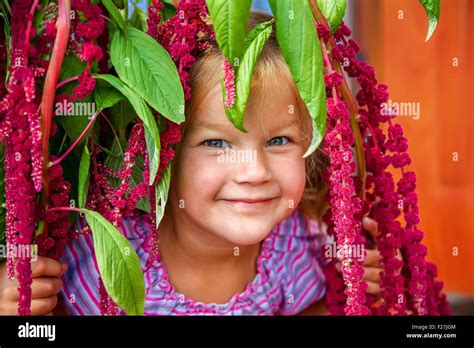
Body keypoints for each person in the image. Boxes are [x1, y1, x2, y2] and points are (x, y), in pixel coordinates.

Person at [0, 11, 385, 316]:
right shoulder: (100, 257)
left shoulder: (297, 249)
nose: (254, 172)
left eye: (279, 140)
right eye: (215, 142)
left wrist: (349, 288)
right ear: (164, 155)